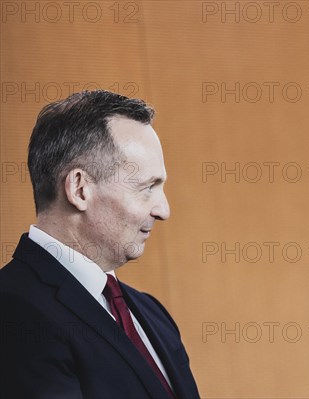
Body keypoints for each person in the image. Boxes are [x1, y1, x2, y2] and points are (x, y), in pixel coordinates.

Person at [0, 90, 201, 398]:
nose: (164, 210)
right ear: (79, 189)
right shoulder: (12, 310)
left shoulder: (153, 314)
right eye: (147, 188)